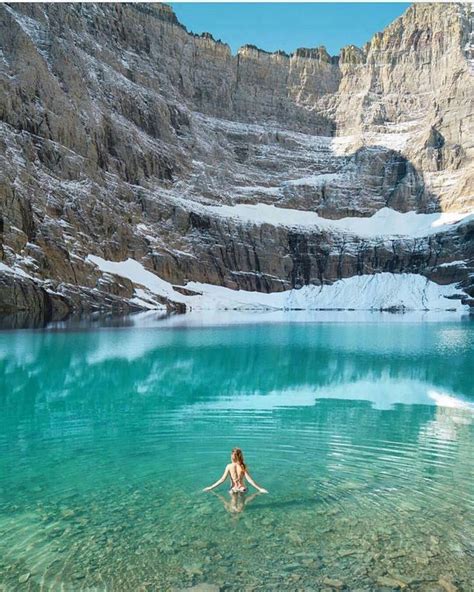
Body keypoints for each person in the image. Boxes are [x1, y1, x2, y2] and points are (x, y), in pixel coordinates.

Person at [202, 447, 268, 494]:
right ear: (240, 456)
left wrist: (210, 487)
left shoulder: (229, 466)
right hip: (242, 488)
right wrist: (260, 489)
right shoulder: (243, 466)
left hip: (233, 489)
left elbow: (222, 480)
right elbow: (249, 480)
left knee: (233, 506)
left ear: (231, 456)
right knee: (242, 506)